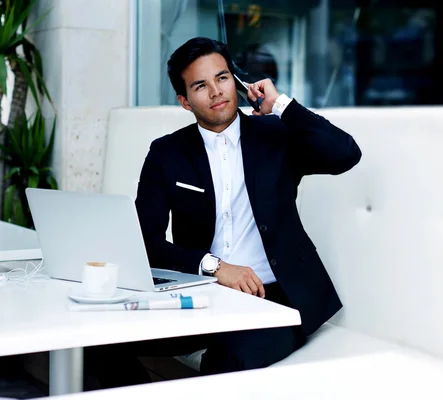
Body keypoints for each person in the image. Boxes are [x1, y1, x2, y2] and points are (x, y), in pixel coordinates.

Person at [84, 37, 361, 389]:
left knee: (230, 359)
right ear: (185, 101)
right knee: (99, 341)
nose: (216, 91)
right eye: (200, 85)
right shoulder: (167, 152)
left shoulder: (275, 135)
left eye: (223, 78)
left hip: (277, 299)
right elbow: (144, 241)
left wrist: (280, 105)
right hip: (200, 292)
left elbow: (346, 154)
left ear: (236, 81)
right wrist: (214, 267)